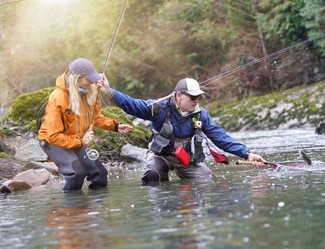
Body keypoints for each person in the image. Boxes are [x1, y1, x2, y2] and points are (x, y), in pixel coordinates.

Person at [98, 76, 267, 184]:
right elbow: (132, 105)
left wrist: (247, 154)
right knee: (153, 177)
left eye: (198, 97)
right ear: (179, 96)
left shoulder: (201, 115)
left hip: (186, 160)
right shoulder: (159, 108)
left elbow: (220, 137)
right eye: (192, 97)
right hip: (160, 156)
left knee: (206, 179)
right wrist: (109, 91)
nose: (196, 100)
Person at [38, 58, 131, 192]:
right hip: (53, 142)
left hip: (76, 140)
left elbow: (96, 117)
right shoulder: (57, 97)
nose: (92, 82)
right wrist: (81, 141)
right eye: (89, 79)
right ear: (77, 78)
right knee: (76, 174)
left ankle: (93, 211)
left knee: (100, 174)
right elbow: (53, 136)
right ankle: (70, 211)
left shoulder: (89, 91)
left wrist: (115, 126)